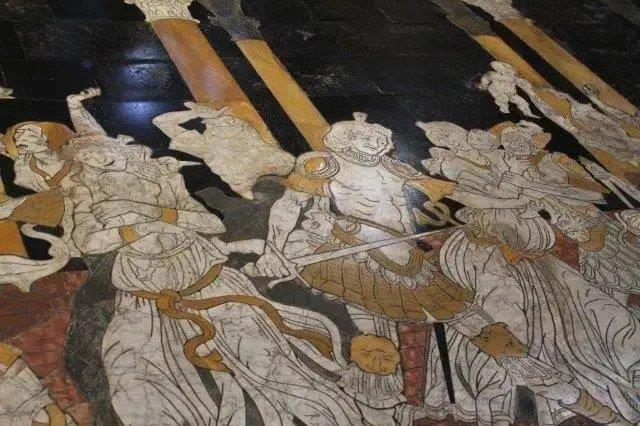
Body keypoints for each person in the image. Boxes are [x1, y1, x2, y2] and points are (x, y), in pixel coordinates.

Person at [63, 128, 371, 425]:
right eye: (86, 157)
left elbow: (211, 224)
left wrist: (153, 214)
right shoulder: (83, 191)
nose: (96, 159)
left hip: (206, 278)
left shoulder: (162, 177)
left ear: (118, 149)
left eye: (99, 150)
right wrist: (143, 227)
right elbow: (88, 241)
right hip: (144, 294)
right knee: (130, 374)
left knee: (270, 367)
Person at [419, 119, 640, 425]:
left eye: (453, 130)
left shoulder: (507, 160)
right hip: (506, 261)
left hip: (538, 260)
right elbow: (482, 200)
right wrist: (522, 197)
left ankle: (625, 372)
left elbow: (577, 197)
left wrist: (534, 193)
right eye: (442, 136)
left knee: (600, 311)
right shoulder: (457, 169)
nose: (454, 137)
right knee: (526, 339)